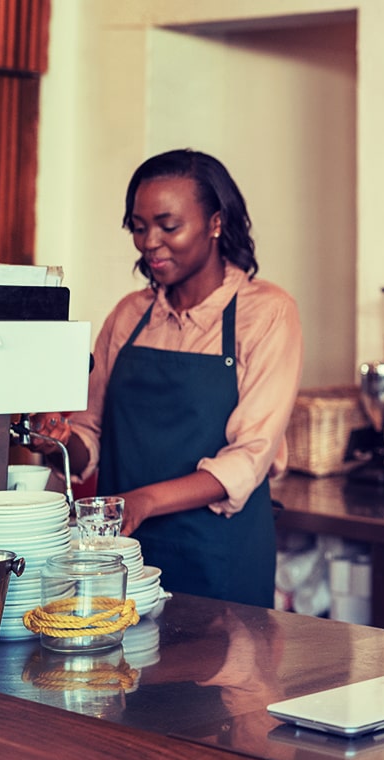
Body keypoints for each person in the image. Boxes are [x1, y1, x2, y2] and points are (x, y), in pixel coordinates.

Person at [29, 149, 303, 608]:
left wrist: (143, 502)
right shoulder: (129, 315)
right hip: (122, 560)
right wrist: (57, 440)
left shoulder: (267, 313)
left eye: (168, 226)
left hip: (220, 559)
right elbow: (89, 435)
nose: (149, 242)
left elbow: (249, 458)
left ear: (216, 222)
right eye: (138, 227)